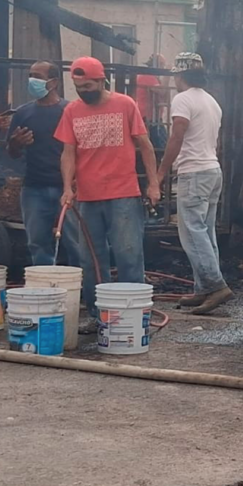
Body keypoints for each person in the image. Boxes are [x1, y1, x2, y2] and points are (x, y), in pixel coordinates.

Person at [56, 56, 159, 317]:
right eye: (79, 87)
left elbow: (145, 146)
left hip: (123, 193)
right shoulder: (71, 111)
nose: (83, 92)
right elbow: (68, 152)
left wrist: (153, 184)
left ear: (102, 80)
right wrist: (67, 188)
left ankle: (133, 313)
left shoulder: (125, 104)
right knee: (91, 260)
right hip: (88, 198)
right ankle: (97, 313)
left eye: (88, 86)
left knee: (128, 255)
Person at [157, 53, 232, 314]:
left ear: (179, 76)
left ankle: (215, 285)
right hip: (212, 170)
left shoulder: (183, 99)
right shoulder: (211, 101)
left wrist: (160, 172)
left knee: (192, 232)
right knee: (205, 231)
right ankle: (203, 287)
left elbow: (176, 137)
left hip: (195, 173)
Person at [6, 61, 80, 266]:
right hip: (34, 188)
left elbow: (81, 150)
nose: (32, 80)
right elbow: (11, 154)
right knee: (38, 243)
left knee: (76, 242)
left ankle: (82, 286)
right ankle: (46, 285)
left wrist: (75, 183)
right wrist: (15, 143)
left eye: (38, 76)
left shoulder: (70, 110)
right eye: (30, 75)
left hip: (67, 188)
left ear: (53, 82)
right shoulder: (23, 113)